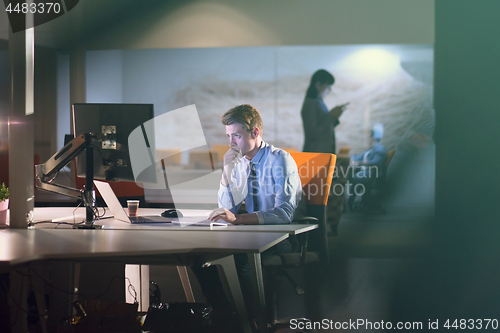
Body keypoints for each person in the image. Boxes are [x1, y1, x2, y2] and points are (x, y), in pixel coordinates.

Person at [193, 104, 303, 327]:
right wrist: (226, 173)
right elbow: (228, 210)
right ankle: (224, 312)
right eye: (228, 136)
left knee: (240, 255)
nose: (231, 143)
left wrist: (239, 220)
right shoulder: (240, 162)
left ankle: (252, 318)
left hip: (283, 236)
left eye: (236, 136)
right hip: (252, 233)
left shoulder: (280, 160)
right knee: (199, 254)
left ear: (255, 132)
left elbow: (284, 213)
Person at [301, 69, 349, 154]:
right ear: (318, 85)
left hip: (321, 152)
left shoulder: (319, 102)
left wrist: (334, 117)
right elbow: (313, 133)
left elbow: (324, 127)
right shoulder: (310, 104)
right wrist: (331, 116)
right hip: (315, 154)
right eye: (328, 86)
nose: (329, 90)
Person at [347, 124, 388, 212]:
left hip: (373, 173)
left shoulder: (379, 150)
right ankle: (354, 202)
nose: (368, 139)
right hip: (366, 172)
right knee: (351, 175)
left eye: (369, 137)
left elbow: (375, 163)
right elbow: (358, 157)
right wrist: (350, 159)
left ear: (373, 137)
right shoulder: (371, 149)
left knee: (356, 177)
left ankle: (350, 202)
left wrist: (359, 163)